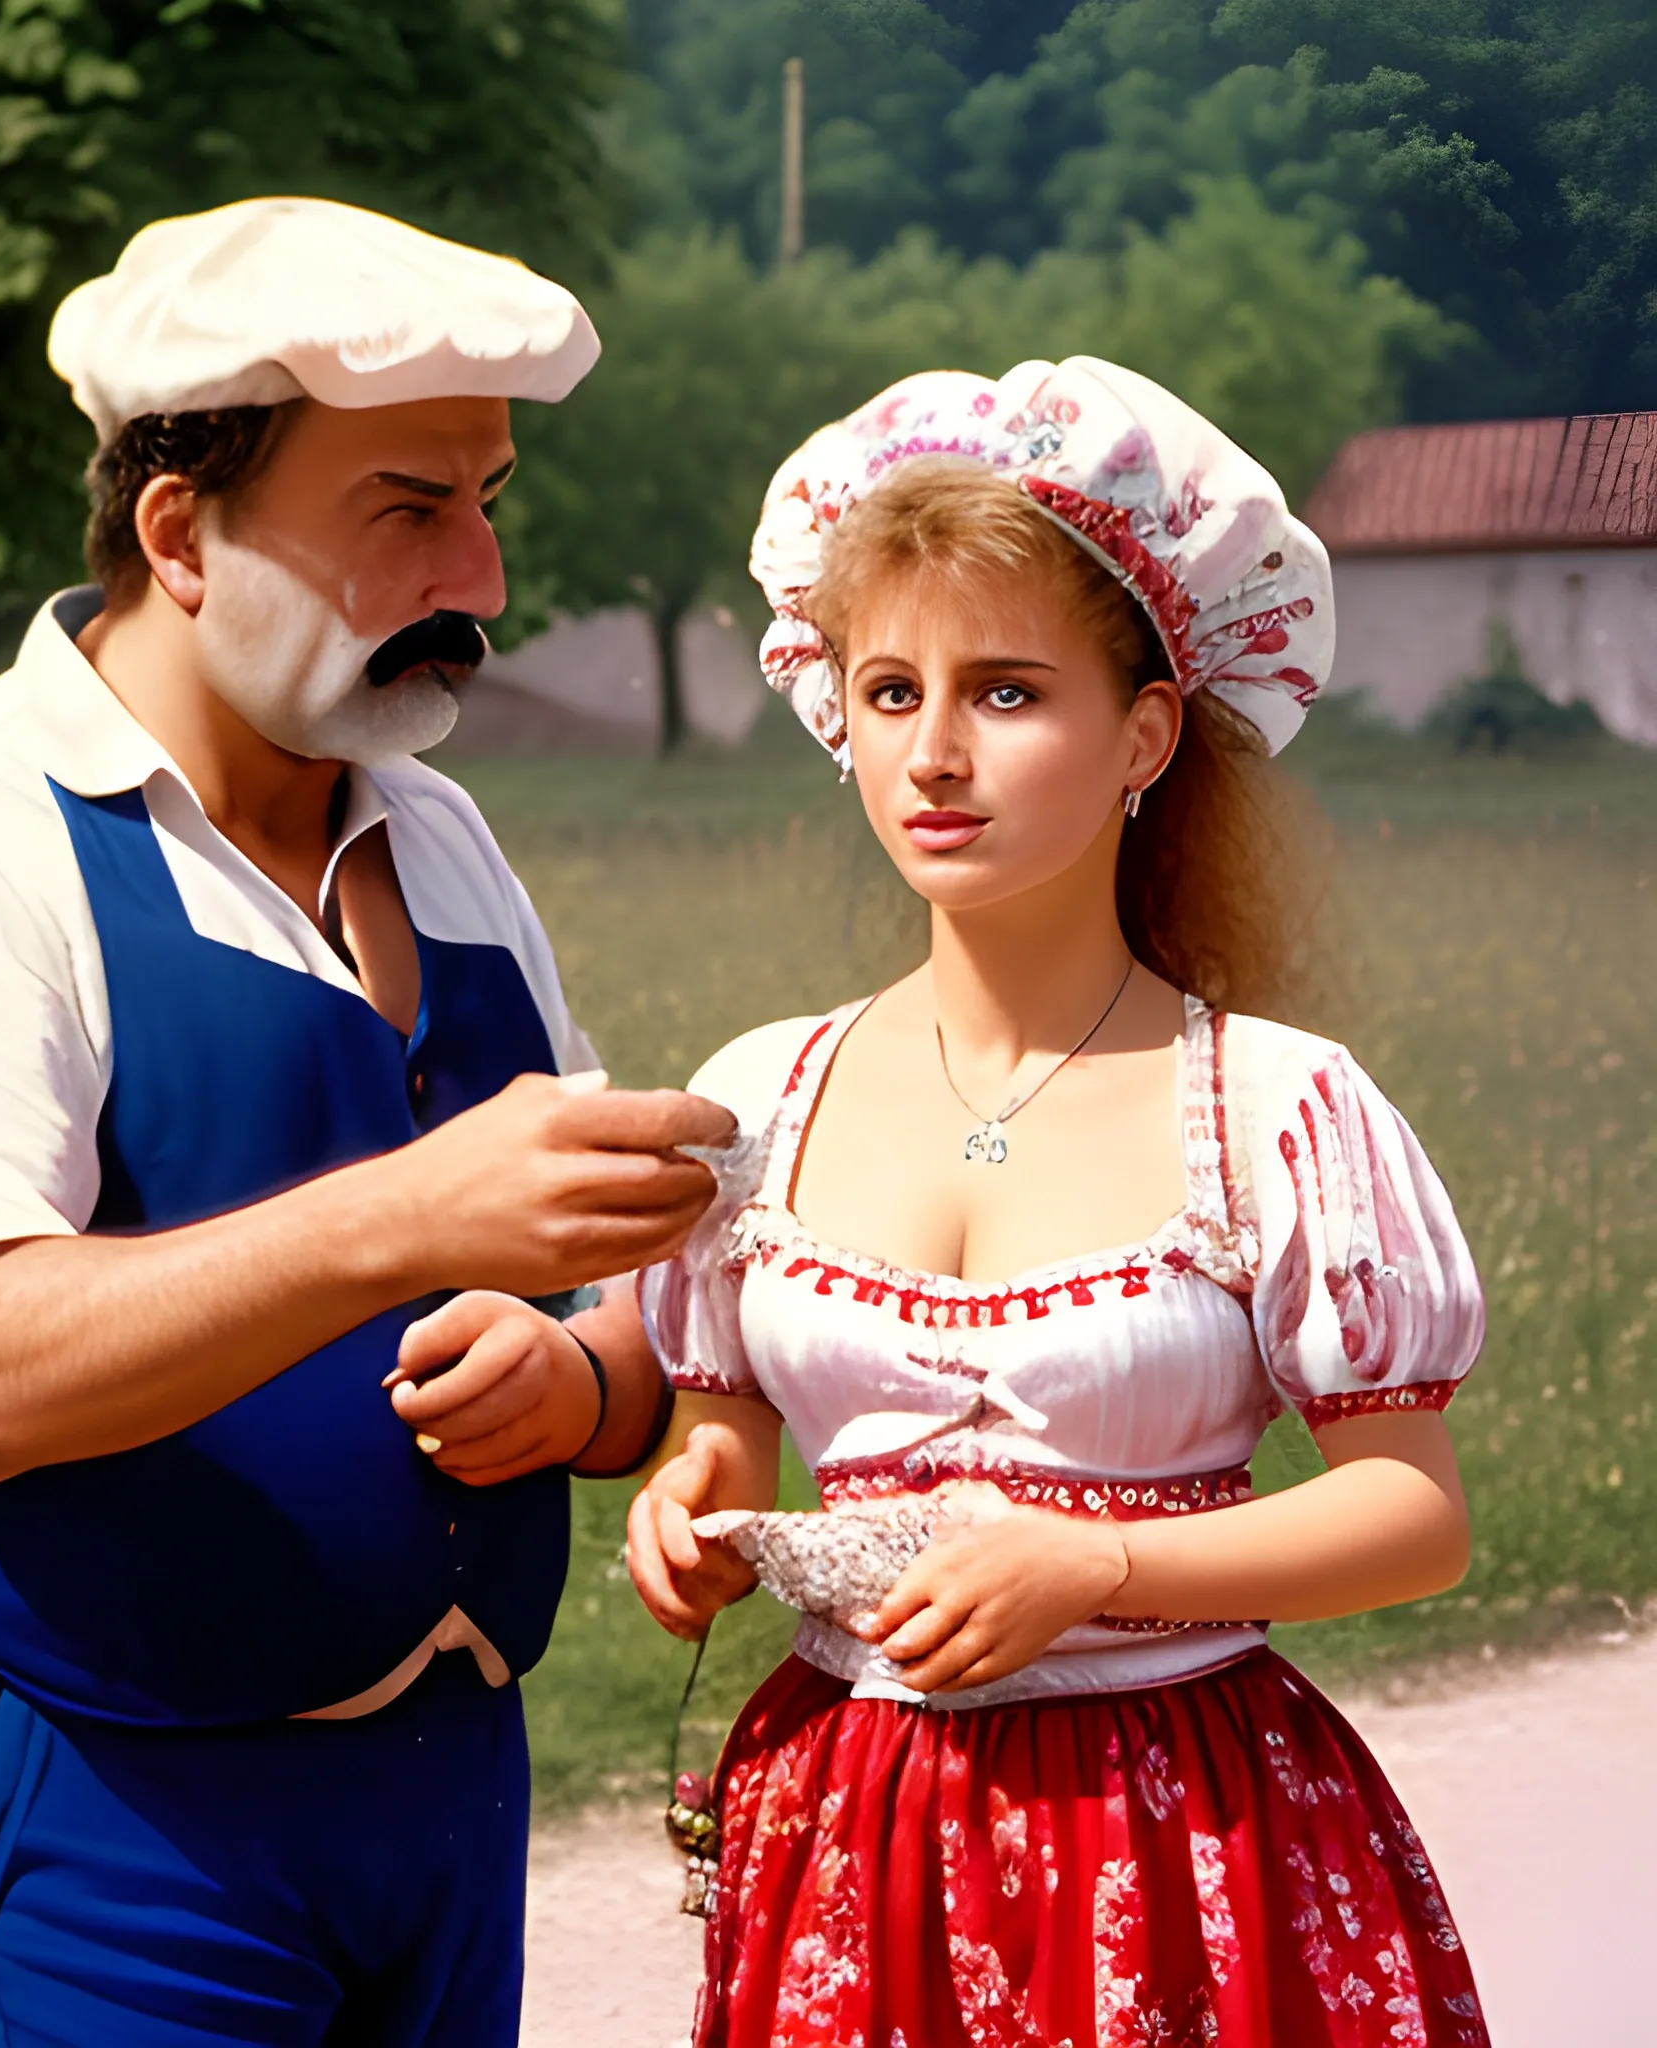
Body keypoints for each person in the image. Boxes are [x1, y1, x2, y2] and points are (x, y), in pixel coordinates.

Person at [0, 197, 732, 2048]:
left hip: (445, 1800)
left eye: (489, 500)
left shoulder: (437, 833)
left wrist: (582, 1382)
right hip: (108, 1812)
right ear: (180, 533)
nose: (486, 578)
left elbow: (615, 1285)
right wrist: (406, 1218)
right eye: (406, 511)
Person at [604, 359, 1490, 2044]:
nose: (932, 755)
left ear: (1146, 730)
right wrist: (690, 1516)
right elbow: (722, 1436)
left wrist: (1091, 1569)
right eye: (886, 692)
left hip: (1173, 1833)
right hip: (848, 1818)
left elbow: (1414, 1517)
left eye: (1006, 693)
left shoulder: (1271, 1105)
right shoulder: (767, 1094)